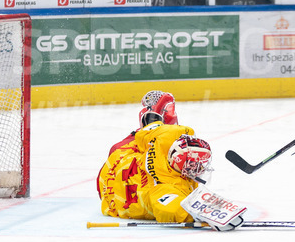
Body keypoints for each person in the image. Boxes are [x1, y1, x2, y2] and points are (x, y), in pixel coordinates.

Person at [97, 92, 240, 230]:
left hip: (118, 164)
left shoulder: (164, 144)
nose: (199, 168)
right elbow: (172, 210)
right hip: (113, 190)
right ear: (181, 165)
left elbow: (145, 133)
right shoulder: (164, 189)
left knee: (142, 136)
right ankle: (153, 114)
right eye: (194, 164)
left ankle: (152, 113)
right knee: (147, 135)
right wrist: (205, 216)